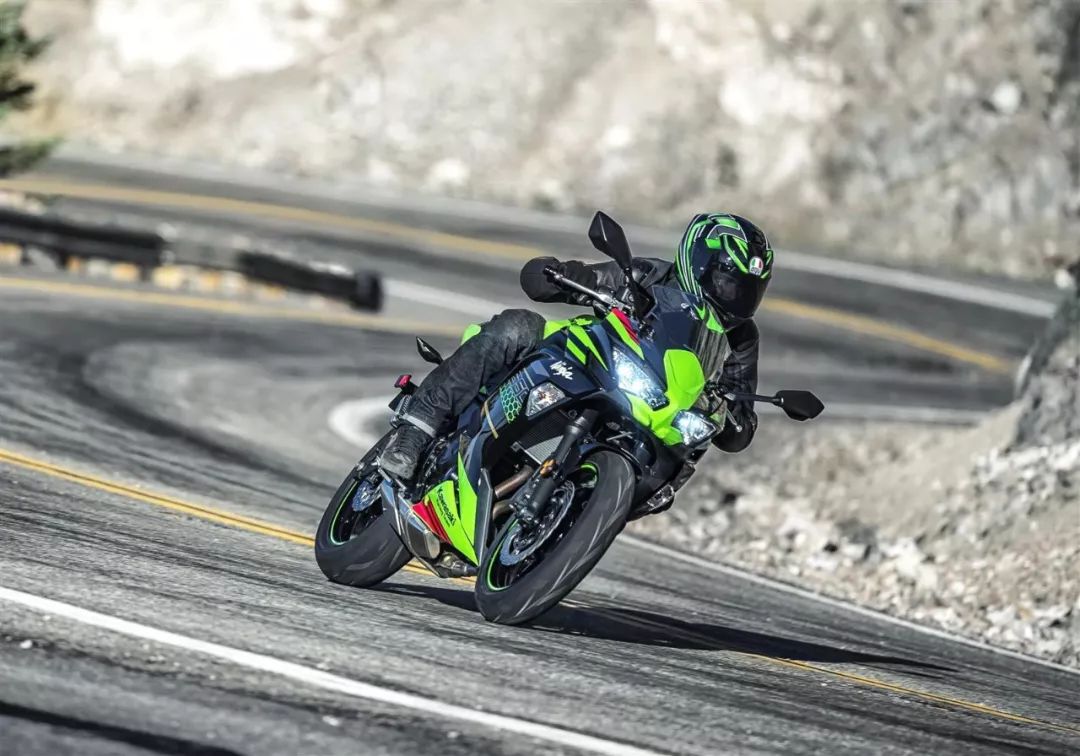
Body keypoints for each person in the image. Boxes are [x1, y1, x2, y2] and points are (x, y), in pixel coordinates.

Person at [378, 212, 773, 487]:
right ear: (697, 263)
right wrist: (562, 275)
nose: (735, 296)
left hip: (656, 411)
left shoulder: (741, 338)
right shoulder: (647, 275)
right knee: (516, 327)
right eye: (727, 282)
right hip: (591, 358)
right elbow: (560, 281)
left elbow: (740, 419)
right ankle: (416, 431)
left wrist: (732, 420)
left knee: (682, 453)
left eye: (746, 290)